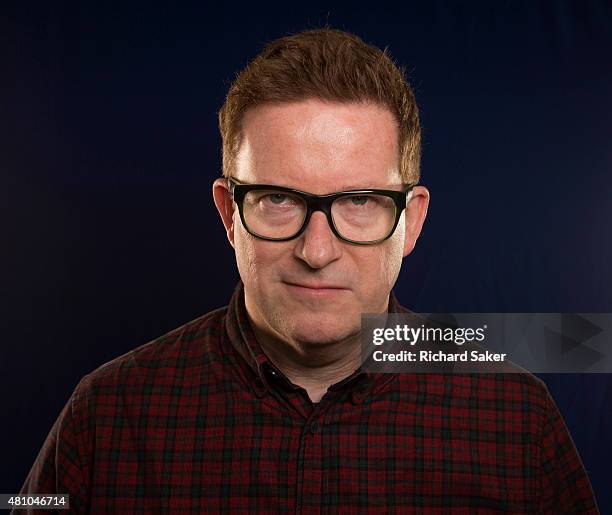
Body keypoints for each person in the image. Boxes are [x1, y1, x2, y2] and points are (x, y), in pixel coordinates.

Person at [17, 28, 598, 513]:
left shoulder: (516, 418)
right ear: (228, 213)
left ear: (411, 222)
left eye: (360, 202)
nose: (317, 251)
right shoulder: (104, 414)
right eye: (278, 200)